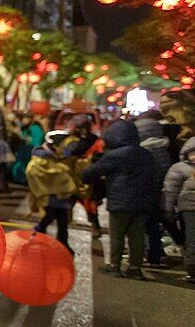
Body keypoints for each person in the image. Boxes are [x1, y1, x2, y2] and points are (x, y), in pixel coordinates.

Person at [83, 120, 156, 280]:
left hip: (120, 203)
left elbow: (91, 173)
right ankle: (135, 268)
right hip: (143, 202)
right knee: (137, 236)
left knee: (117, 235)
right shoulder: (146, 154)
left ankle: (115, 266)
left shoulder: (115, 156)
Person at [26, 130, 78, 250]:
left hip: (60, 198)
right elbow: (34, 172)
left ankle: (61, 243)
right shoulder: (41, 160)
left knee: (61, 220)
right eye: (62, 146)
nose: (64, 148)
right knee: (51, 217)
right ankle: (38, 235)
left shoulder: (56, 158)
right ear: (55, 146)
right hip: (50, 197)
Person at [134, 117, 172, 269]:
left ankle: (143, 255)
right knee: (154, 225)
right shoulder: (164, 148)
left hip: (142, 193)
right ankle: (156, 255)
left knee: (140, 226)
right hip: (158, 193)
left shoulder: (141, 151)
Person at [162, 137, 195, 281]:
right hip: (187, 209)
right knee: (191, 238)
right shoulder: (179, 168)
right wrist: (168, 208)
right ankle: (192, 268)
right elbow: (170, 190)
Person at [65, 115, 103, 236]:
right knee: (84, 203)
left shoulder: (74, 141)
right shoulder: (94, 140)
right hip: (82, 176)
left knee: (84, 203)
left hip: (80, 177)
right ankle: (94, 227)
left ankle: (94, 227)